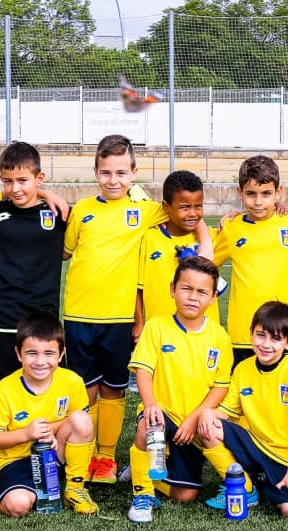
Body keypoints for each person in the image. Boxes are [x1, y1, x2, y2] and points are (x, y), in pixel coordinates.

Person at [62, 134, 211, 483]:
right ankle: (82, 454)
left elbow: (188, 212)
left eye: (121, 173)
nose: (113, 180)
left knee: (114, 387)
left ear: (133, 173)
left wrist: (204, 241)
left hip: (119, 317)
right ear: (95, 172)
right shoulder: (83, 211)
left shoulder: (144, 210)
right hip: (78, 314)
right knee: (85, 389)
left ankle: (105, 459)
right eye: (105, 173)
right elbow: (66, 252)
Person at [126, 256, 232, 523]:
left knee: (186, 495)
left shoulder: (219, 336)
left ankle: (146, 467)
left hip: (193, 424)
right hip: (162, 414)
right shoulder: (156, 327)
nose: (193, 297)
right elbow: (143, 371)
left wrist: (194, 419)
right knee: (149, 426)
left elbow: (220, 387)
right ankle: (143, 493)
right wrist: (150, 404)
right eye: (186, 288)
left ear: (211, 298)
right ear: (173, 289)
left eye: (201, 292)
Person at [198, 301, 288, 519]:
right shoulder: (243, 369)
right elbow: (226, 412)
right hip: (254, 444)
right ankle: (245, 487)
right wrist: (208, 412)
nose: (266, 344)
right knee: (207, 425)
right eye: (261, 335)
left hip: (285, 457)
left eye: (276, 339)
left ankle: (269, 479)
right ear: (251, 334)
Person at [0, 142, 68, 394]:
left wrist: (46, 195)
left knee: (46, 392)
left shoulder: (58, 214)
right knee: (0, 391)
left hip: (42, 319)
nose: (15, 188)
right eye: (7, 181)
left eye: (23, 180)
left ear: (39, 178)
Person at [214, 155, 288, 367]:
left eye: (266, 194)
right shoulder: (230, 227)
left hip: (284, 331)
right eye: (251, 194)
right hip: (244, 333)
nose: (258, 202)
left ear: (278, 192)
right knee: (243, 396)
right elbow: (206, 259)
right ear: (240, 193)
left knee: (285, 397)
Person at [0, 312, 99, 516]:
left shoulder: (72, 381)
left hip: (54, 455)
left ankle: (75, 488)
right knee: (17, 506)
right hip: (14, 462)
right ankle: (20, 493)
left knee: (82, 419)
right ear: (19, 353)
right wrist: (27, 434)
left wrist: (49, 433)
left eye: (49, 353)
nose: (40, 361)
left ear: (61, 354)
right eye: (32, 353)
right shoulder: (3, 390)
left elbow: (80, 425)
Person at [134, 170, 221, 341]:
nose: (193, 213)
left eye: (198, 206)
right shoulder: (149, 238)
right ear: (166, 207)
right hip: (160, 335)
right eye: (184, 207)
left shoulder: (212, 238)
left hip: (203, 338)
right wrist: (139, 321)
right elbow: (138, 288)